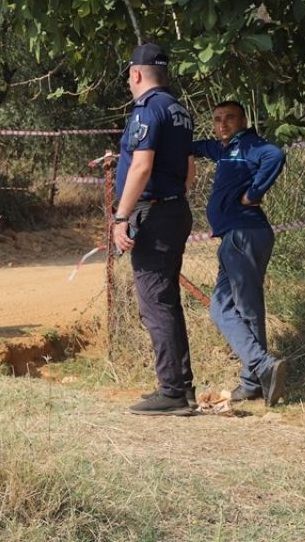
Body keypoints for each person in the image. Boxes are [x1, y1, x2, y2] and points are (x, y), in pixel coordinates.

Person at [113, 43, 197, 416]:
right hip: (175, 209)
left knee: (155, 303)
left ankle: (171, 392)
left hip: (154, 215)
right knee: (168, 301)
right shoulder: (180, 110)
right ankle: (182, 385)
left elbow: (141, 166)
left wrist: (121, 216)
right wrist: (173, 198)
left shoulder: (148, 110)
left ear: (135, 74)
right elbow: (189, 167)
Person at [190, 101, 288, 406]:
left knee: (246, 308)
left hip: (244, 234)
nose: (222, 124)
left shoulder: (249, 145)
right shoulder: (224, 149)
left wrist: (253, 193)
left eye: (229, 118)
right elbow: (192, 147)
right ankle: (254, 380)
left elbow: (276, 154)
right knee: (223, 308)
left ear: (243, 120)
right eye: (217, 119)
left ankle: (260, 370)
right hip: (234, 238)